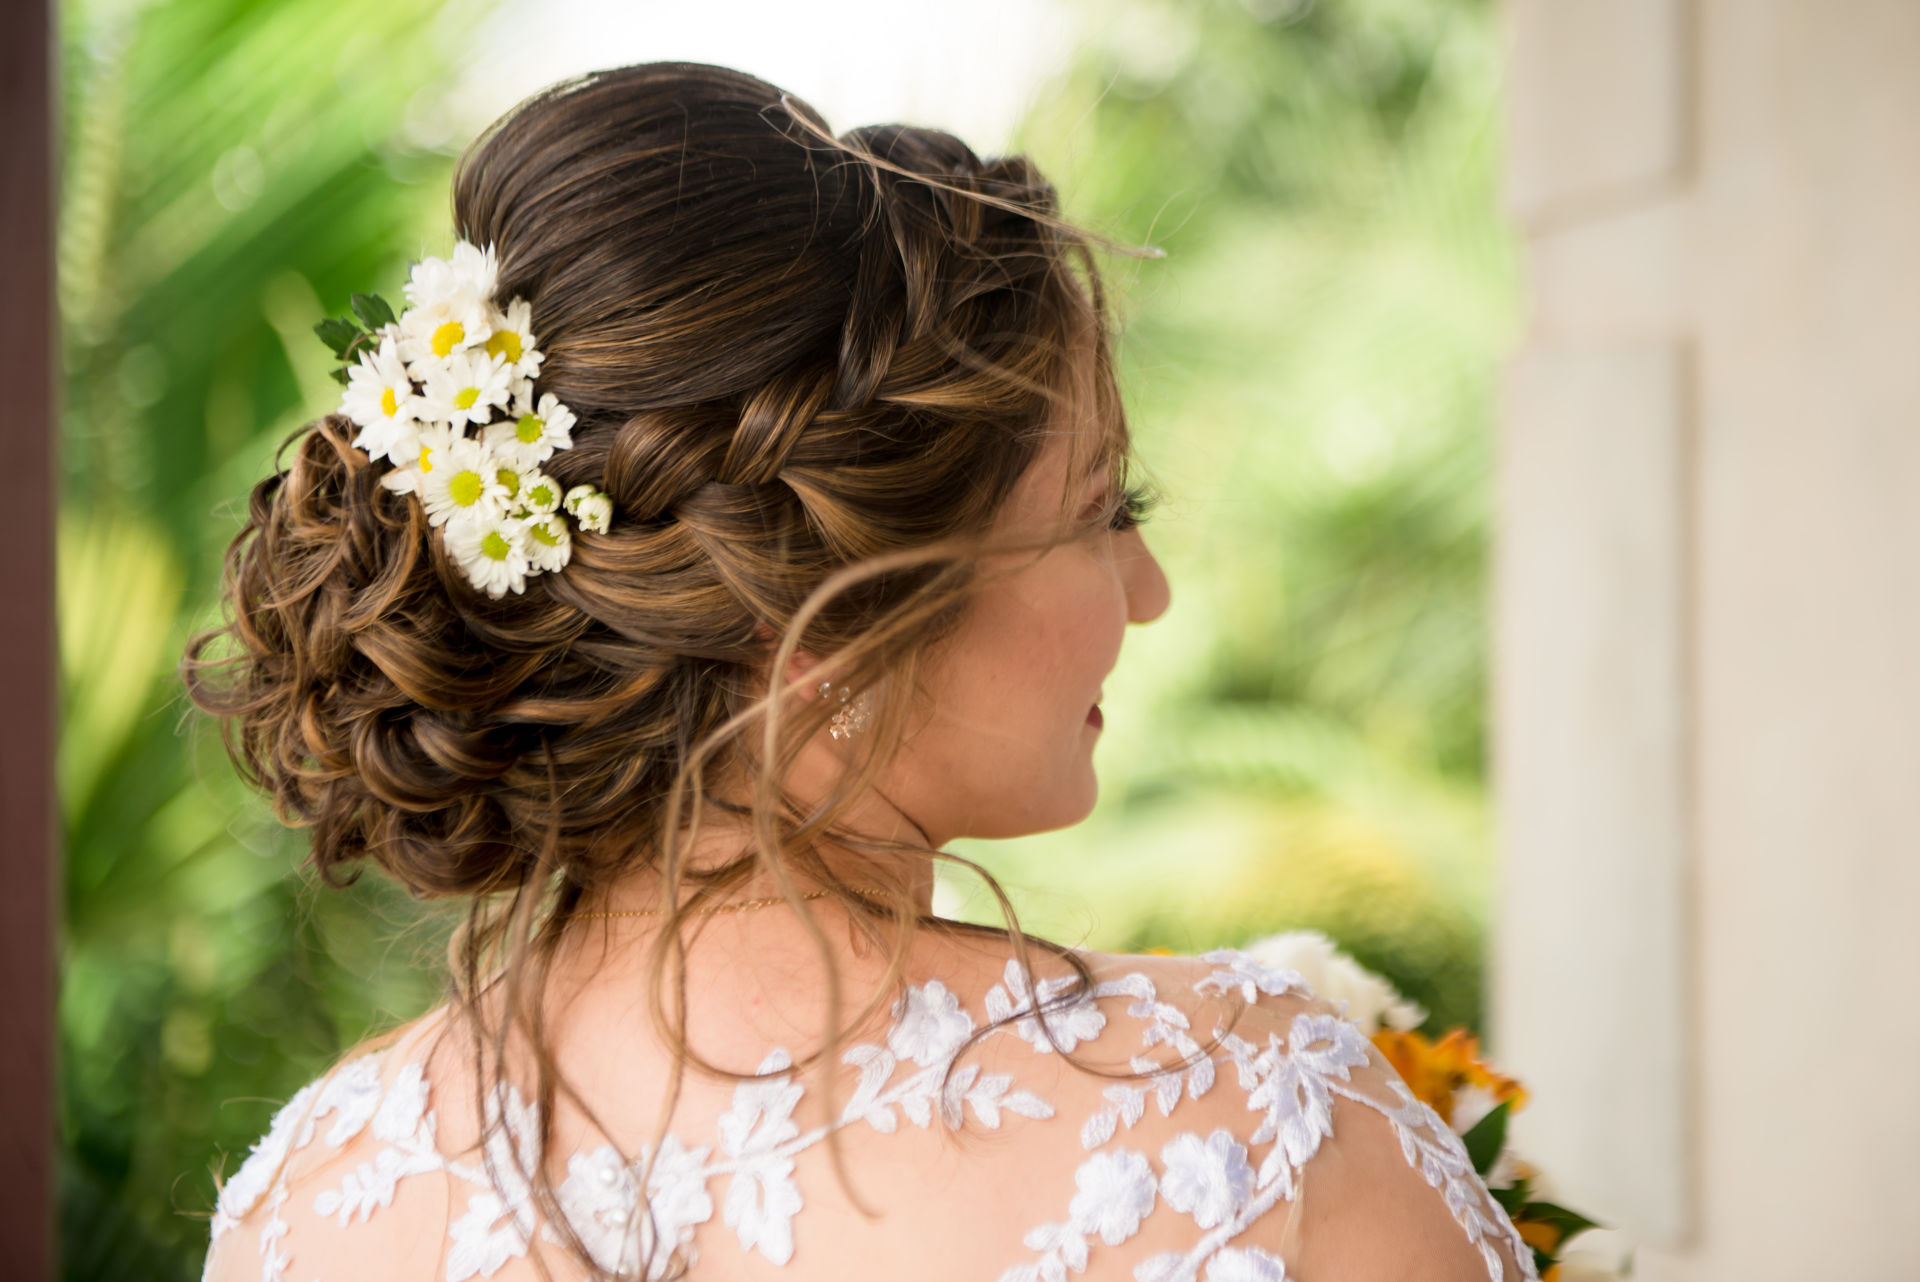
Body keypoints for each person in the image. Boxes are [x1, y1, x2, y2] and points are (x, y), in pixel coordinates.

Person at [189, 62, 1533, 1282]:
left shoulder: (321, 1200)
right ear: (822, 618)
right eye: (1100, 509)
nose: (1151, 591)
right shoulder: (1251, 1123)